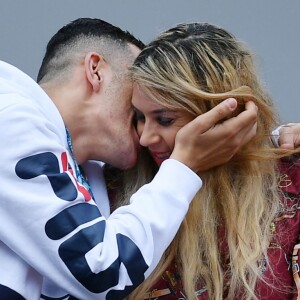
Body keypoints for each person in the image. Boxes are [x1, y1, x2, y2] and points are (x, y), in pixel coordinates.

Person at [0, 18, 259, 300]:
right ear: (95, 70)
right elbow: (101, 270)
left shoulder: (88, 172)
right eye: (137, 109)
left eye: (162, 116)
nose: (145, 133)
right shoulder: (11, 117)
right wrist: (183, 167)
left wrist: (268, 142)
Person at [106, 23, 300, 299]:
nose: (146, 137)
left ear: (223, 113)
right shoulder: (111, 189)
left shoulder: (292, 182)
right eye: (138, 117)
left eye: (164, 120)